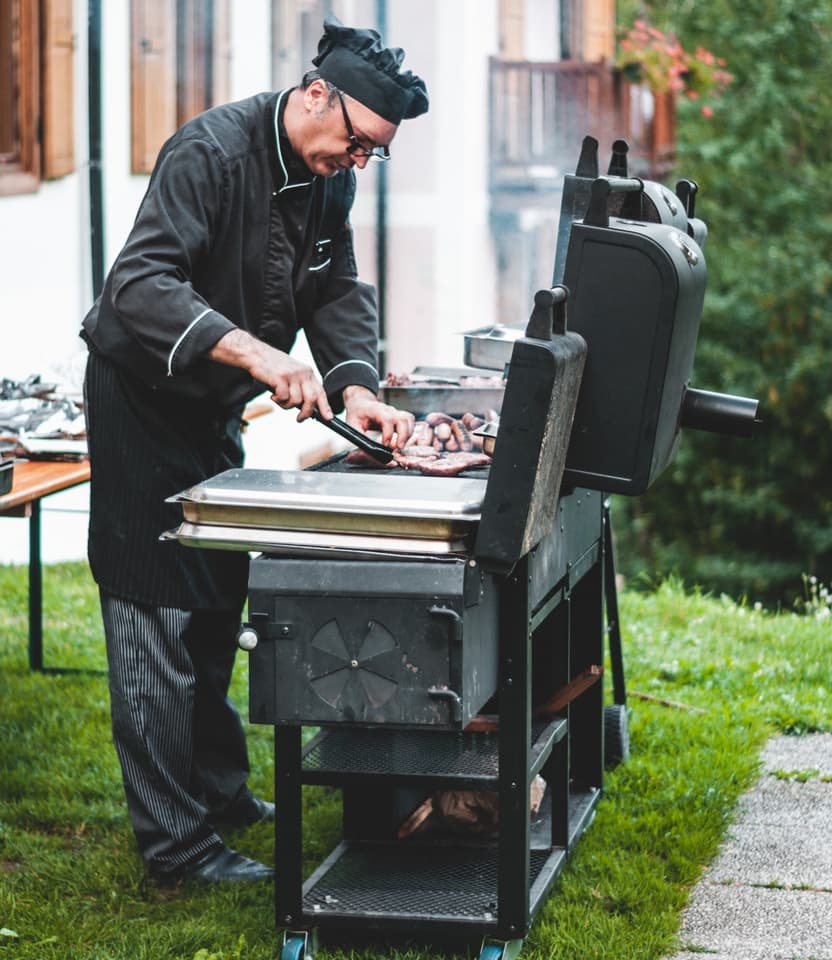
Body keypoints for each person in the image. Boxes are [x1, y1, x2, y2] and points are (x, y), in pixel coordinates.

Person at [80, 13, 428, 886]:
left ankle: (219, 792)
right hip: (141, 405)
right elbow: (140, 284)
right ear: (317, 95)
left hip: (211, 415)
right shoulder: (209, 152)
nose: (357, 163)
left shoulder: (327, 180)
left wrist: (357, 388)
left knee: (212, 600)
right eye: (357, 143)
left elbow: (336, 285)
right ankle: (176, 848)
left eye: (371, 155)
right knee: (152, 614)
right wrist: (259, 354)